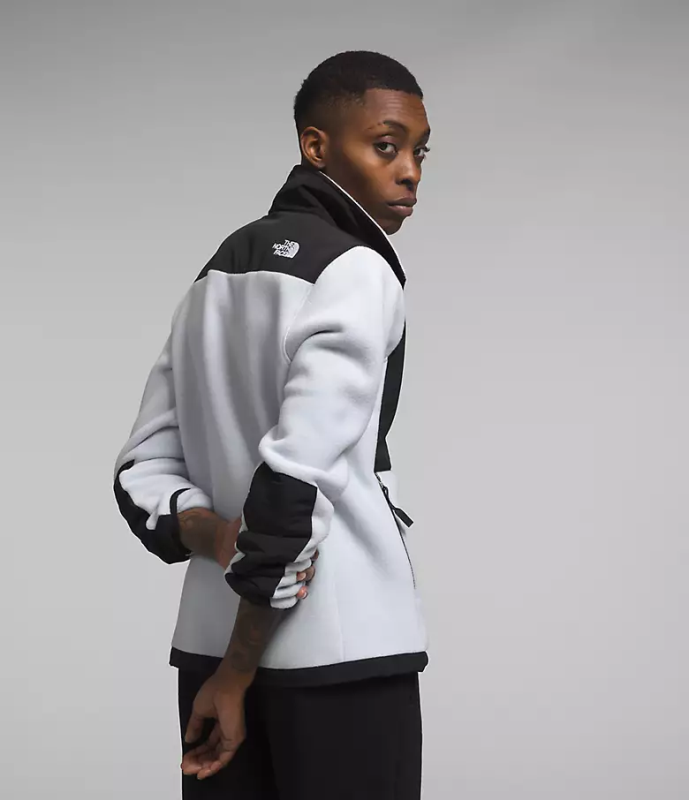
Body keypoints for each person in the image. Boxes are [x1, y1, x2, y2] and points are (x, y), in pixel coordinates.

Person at [113, 49, 431, 799]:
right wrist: (237, 673)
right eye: (385, 146)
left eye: (420, 153)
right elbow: (294, 485)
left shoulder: (215, 275)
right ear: (316, 146)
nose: (410, 172)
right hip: (334, 656)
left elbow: (140, 470)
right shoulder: (357, 271)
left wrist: (211, 535)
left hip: (210, 647)